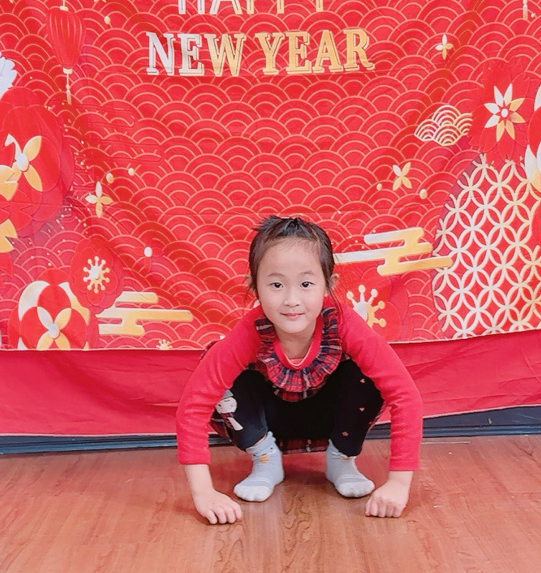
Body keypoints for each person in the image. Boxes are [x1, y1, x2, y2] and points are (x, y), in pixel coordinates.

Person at [176, 216, 423, 524]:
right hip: (268, 421)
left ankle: (342, 457)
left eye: (306, 284)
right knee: (218, 370)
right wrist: (204, 493)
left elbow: (405, 395)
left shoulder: (344, 324)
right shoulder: (250, 330)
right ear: (255, 286)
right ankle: (265, 458)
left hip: (327, 419)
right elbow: (194, 405)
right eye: (276, 285)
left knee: (371, 371)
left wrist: (399, 483)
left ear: (328, 285)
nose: (291, 300)